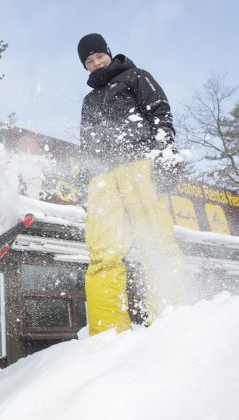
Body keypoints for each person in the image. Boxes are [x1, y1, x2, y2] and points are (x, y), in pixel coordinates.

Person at [77, 33, 185, 335]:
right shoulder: (89, 100)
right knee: (103, 252)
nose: (96, 62)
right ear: (85, 66)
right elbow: (86, 143)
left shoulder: (136, 76)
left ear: (109, 54)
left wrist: (166, 153)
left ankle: (170, 316)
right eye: (89, 60)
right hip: (102, 176)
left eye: (99, 55)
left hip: (138, 163)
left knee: (155, 239)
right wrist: (86, 181)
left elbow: (161, 113)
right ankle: (107, 331)